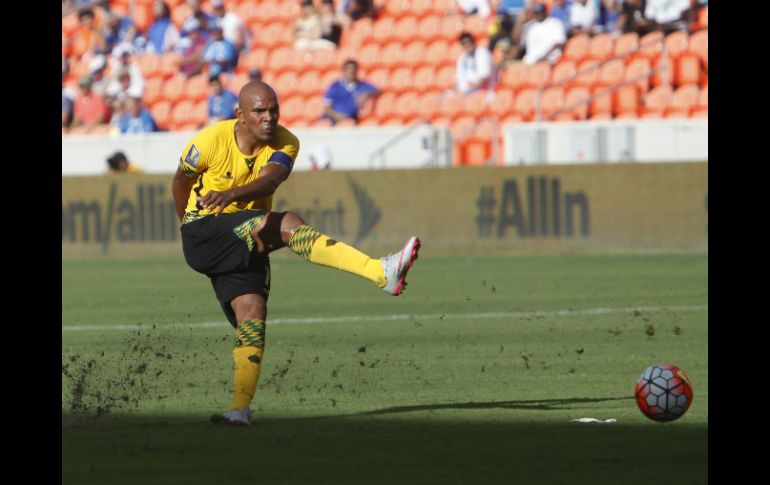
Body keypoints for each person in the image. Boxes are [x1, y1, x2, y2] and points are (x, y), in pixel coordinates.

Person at [171, 81, 421, 426]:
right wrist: (186, 223)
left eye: (274, 109)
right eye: (260, 111)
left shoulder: (287, 142)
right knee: (288, 224)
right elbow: (180, 182)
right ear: (239, 114)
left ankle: (239, 410)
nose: (269, 117)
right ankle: (380, 272)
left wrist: (232, 194)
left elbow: (271, 181)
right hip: (205, 232)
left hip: (247, 233)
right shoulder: (209, 141)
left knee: (252, 312)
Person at [322, 59, 381, 124]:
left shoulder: (362, 85)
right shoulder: (335, 86)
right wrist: (335, 116)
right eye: (348, 69)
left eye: (353, 69)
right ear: (344, 71)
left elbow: (379, 91)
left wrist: (367, 94)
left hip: (349, 122)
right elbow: (327, 106)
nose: (351, 71)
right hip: (331, 120)